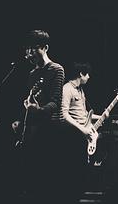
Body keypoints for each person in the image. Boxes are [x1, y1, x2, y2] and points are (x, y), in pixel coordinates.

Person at [19, 30, 66, 204]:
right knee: (30, 180)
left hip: (50, 131)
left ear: (45, 48)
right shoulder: (32, 74)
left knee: (47, 182)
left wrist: (38, 111)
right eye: (27, 49)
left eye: (33, 48)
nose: (29, 53)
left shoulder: (56, 69)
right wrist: (21, 118)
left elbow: (55, 102)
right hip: (32, 130)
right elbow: (31, 101)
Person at [60, 62, 102, 201]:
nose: (89, 77)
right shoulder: (67, 89)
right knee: (73, 169)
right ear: (81, 74)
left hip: (82, 135)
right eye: (87, 74)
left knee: (82, 169)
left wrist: (101, 116)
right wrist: (83, 130)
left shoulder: (81, 90)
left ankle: (77, 196)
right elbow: (64, 114)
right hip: (72, 135)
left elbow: (84, 114)